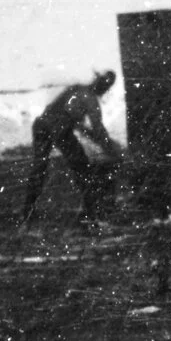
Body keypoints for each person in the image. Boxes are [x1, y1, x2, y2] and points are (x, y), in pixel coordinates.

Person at [20, 69, 121, 228]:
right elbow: (98, 129)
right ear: (104, 88)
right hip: (58, 129)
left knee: (39, 170)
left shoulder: (76, 89)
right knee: (83, 169)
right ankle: (91, 216)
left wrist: (103, 141)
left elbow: (79, 125)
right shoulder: (90, 100)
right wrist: (111, 149)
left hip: (41, 125)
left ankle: (27, 215)